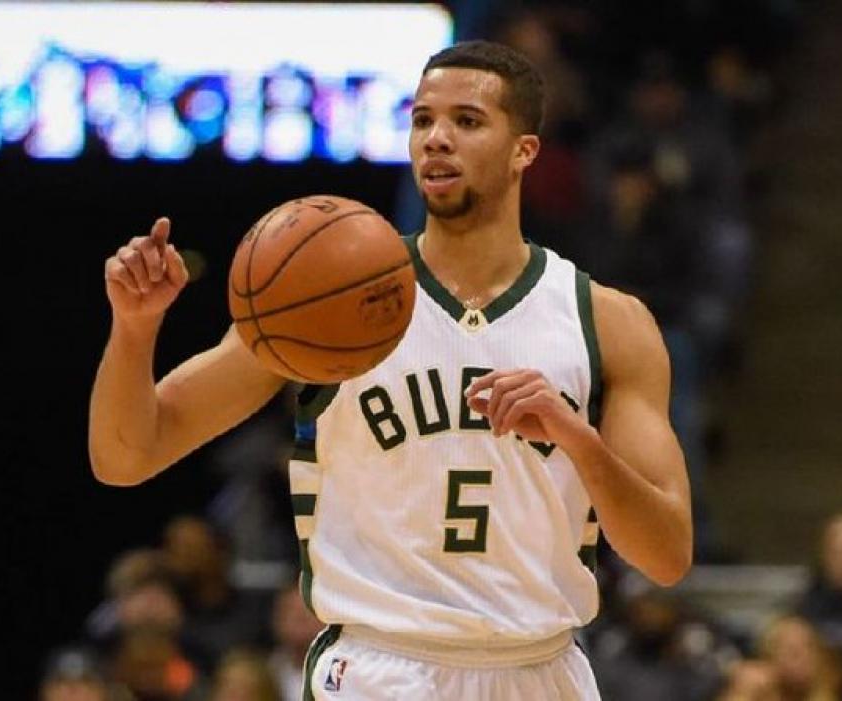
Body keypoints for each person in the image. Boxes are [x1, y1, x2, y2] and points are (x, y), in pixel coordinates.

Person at [90, 40, 692, 700]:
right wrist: (134, 328)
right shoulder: (325, 296)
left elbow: (666, 553)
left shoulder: (606, 321)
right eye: (422, 120)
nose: (436, 139)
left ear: (524, 150)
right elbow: (127, 453)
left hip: (541, 669)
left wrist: (577, 436)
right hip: (382, 667)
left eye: (466, 121)